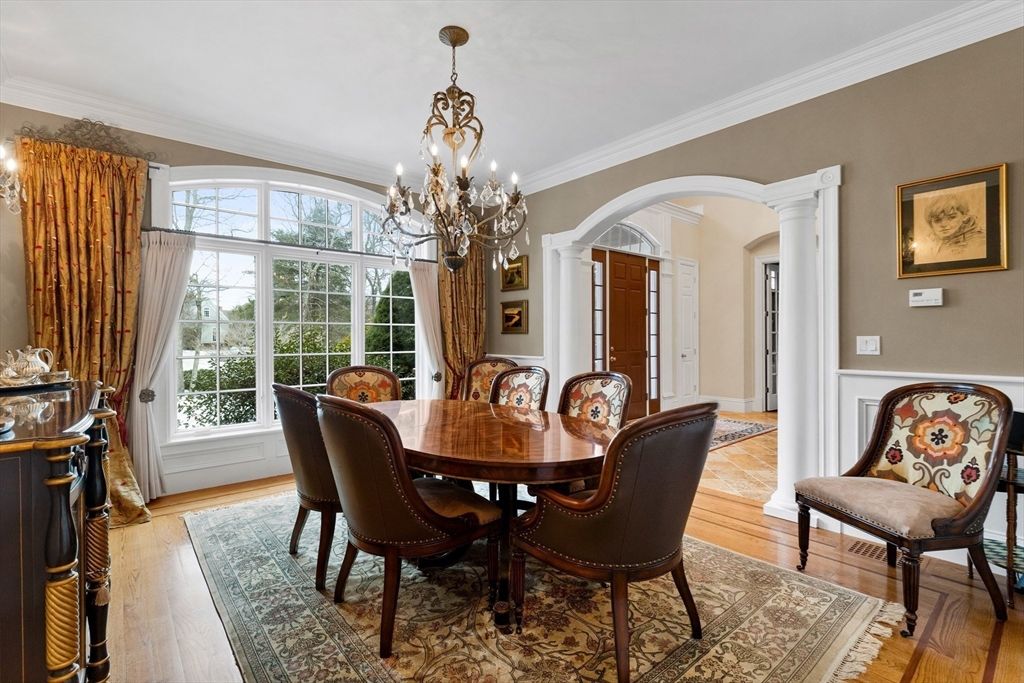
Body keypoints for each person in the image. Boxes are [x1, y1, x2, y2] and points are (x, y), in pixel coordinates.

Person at [914, 191, 985, 264]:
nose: (944, 224)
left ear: (964, 216)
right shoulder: (928, 243)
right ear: (930, 223)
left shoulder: (978, 240)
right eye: (937, 220)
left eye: (951, 217)